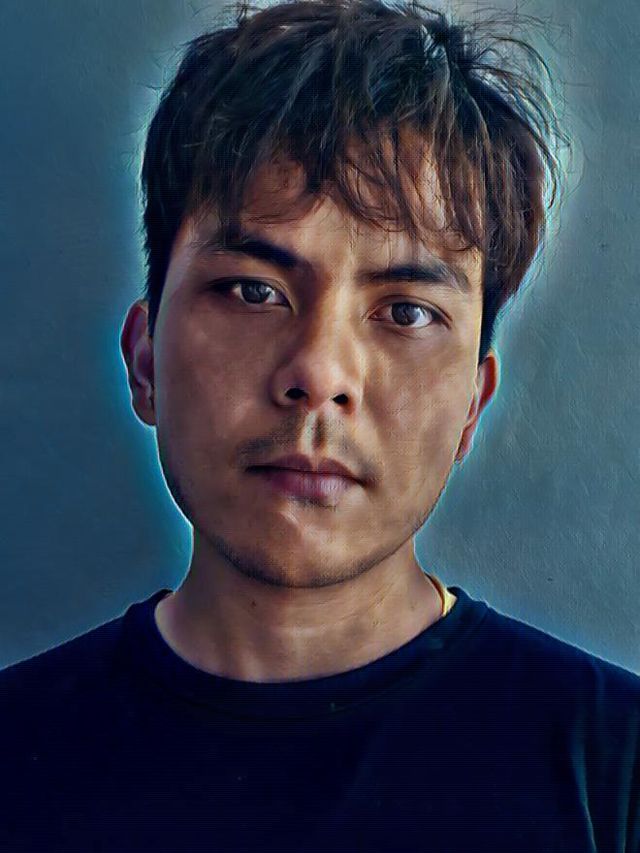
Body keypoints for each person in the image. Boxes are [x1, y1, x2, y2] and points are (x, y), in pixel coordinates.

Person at [1, 0, 638, 850]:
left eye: (406, 311)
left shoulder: (615, 772)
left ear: (471, 406)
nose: (320, 374)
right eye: (253, 290)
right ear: (145, 360)